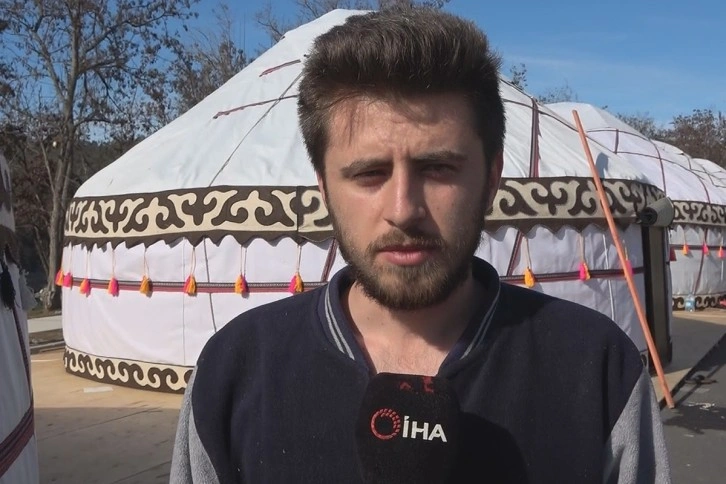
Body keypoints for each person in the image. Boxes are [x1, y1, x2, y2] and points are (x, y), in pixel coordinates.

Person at [170, 7, 671, 483]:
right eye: (369, 173)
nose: (404, 209)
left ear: (491, 177)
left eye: (438, 168)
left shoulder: (598, 369)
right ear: (323, 187)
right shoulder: (233, 374)